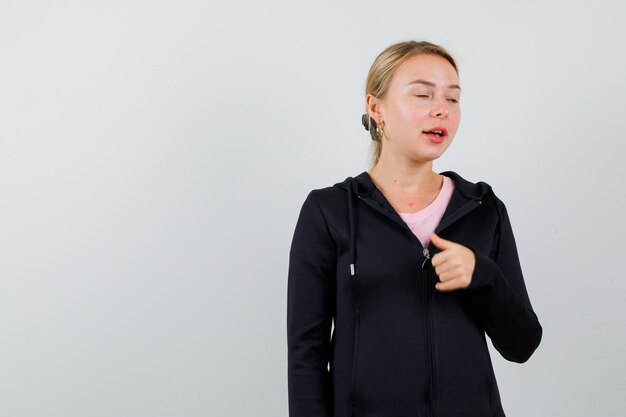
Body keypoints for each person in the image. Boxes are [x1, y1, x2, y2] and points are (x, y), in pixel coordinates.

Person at [286, 40, 542, 417]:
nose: (441, 110)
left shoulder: (483, 210)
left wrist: (481, 274)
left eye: (453, 99)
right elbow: (305, 355)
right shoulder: (329, 211)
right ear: (376, 108)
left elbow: (521, 345)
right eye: (423, 95)